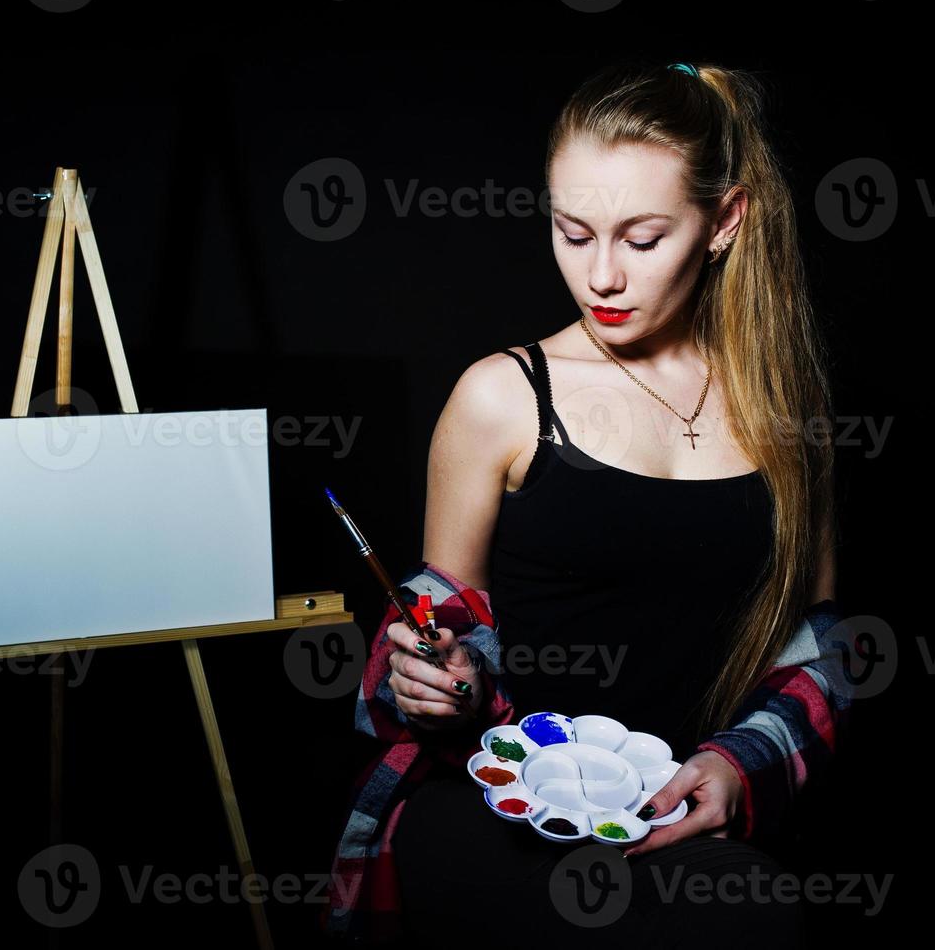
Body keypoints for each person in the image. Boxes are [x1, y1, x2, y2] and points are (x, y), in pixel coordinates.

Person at [319, 60, 850, 948]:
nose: (600, 275)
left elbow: (822, 649)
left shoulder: (789, 410)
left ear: (723, 222)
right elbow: (442, 620)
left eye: (641, 240)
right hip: (502, 804)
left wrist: (737, 762)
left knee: (746, 909)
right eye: (572, 232)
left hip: (672, 815)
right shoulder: (501, 396)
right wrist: (431, 672)